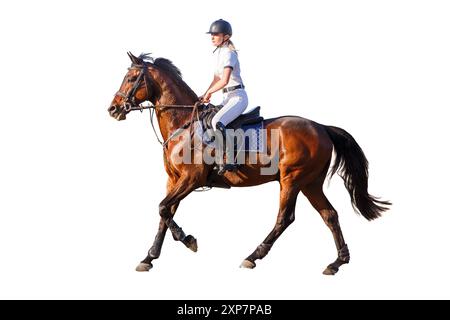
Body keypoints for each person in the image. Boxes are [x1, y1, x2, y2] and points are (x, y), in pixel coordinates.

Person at [199, 19, 248, 175]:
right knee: (208, 118)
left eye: (215, 34)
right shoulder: (219, 53)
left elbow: (224, 80)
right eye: (211, 34)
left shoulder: (229, 53)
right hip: (227, 97)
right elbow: (215, 79)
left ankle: (229, 159)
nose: (212, 37)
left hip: (237, 97)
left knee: (216, 121)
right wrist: (204, 93)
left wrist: (210, 93)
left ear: (226, 37)